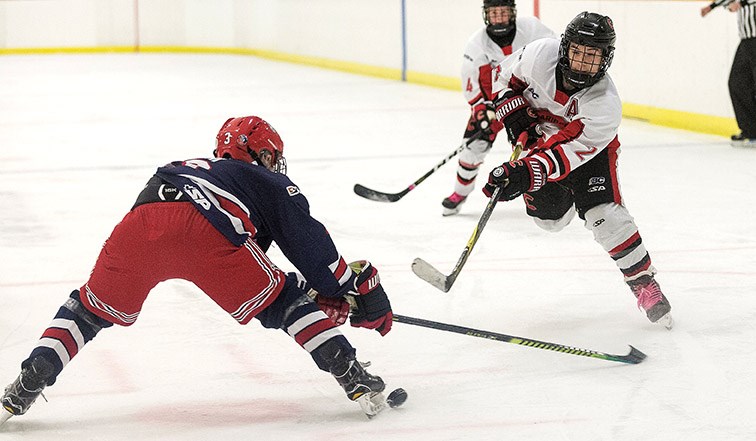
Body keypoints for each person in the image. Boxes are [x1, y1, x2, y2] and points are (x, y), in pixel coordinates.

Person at [0, 116, 397, 424]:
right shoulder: (264, 180)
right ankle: (352, 375)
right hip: (209, 229)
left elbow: (254, 253)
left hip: (142, 221)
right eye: (272, 156)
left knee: (87, 310)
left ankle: (29, 380)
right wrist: (350, 288)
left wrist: (318, 295)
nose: (275, 165)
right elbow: (312, 250)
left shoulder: (202, 169)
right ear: (259, 155)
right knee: (284, 303)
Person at [479, 12, 674, 328]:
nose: (583, 62)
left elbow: (568, 154)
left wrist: (523, 173)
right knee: (549, 220)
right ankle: (565, 198)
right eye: (578, 52)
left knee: (605, 216)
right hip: (543, 141)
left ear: (606, 59)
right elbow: (501, 77)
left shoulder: (605, 105)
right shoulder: (540, 54)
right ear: (565, 48)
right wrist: (514, 116)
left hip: (589, 153)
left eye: (593, 55)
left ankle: (642, 281)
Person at [442, 0, 555, 216]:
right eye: (494, 14)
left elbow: (553, 52)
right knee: (472, 148)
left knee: (536, 147)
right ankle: (460, 193)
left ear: (512, 13)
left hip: (528, 102)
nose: (499, 18)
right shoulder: (476, 44)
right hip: (492, 105)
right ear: (486, 15)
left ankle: (543, 198)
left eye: (503, 12)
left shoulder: (532, 28)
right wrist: (480, 109)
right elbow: (470, 81)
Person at [701, 0, 756, 146]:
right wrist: (712, 6)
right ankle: (751, 131)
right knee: (738, 83)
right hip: (747, 39)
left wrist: (742, 3)